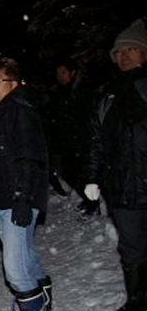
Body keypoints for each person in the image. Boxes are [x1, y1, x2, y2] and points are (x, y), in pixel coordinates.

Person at [0, 57, 52, 311]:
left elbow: (29, 156)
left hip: (15, 199)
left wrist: (23, 198)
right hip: (4, 198)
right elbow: (5, 155)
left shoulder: (19, 110)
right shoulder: (6, 111)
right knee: (26, 257)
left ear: (14, 83)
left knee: (14, 267)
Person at [85, 18, 147, 311]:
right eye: (119, 52)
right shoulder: (107, 94)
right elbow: (96, 140)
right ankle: (137, 298)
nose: (124, 56)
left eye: (131, 49)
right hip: (122, 184)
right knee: (131, 246)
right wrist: (92, 178)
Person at [49, 58, 98, 214]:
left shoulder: (83, 90)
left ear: (73, 73)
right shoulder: (59, 92)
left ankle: (93, 203)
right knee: (69, 172)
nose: (60, 76)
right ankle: (88, 200)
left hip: (82, 141)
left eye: (63, 72)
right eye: (58, 73)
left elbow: (86, 117)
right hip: (68, 142)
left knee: (83, 173)